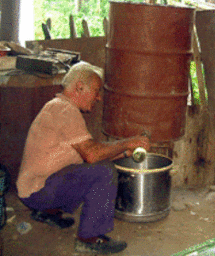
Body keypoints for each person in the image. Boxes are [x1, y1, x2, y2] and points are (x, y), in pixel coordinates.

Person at [16, 61, 150, 254]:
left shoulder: (58, 107)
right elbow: (93, 155)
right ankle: (89, 239)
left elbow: (88, 155)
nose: (98, 98)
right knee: (104, 172)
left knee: (94, 168)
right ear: (79, 87)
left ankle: (47, 213)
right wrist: (128, 142)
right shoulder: (65, 111)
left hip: (33, 189)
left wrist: (125, 152)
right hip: (37, 192)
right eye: (96, 91)